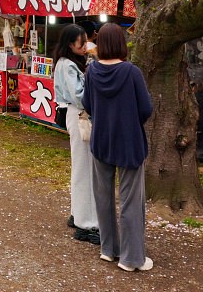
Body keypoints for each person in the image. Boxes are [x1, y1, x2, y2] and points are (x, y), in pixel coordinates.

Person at [83, 23, 154, 272]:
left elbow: (87, 105)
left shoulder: (92, 71)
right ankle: (131, 258)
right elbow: (146, 109)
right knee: (130, 200)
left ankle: (108, 249)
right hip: (128, 142)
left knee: (103, 196)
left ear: (100, 44)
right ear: (122, 43)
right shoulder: (131, 72)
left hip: (101, 139)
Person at [53, 24, 99, 243]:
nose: (85, 45)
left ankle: (77, 214)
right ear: (71, 44)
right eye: (82, 41)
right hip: (79, 115)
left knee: (81, 167)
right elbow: (79, 97)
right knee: (85, 169)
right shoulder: (68, 65)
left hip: (76, 115)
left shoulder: (68, 63)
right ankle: (86, 224)